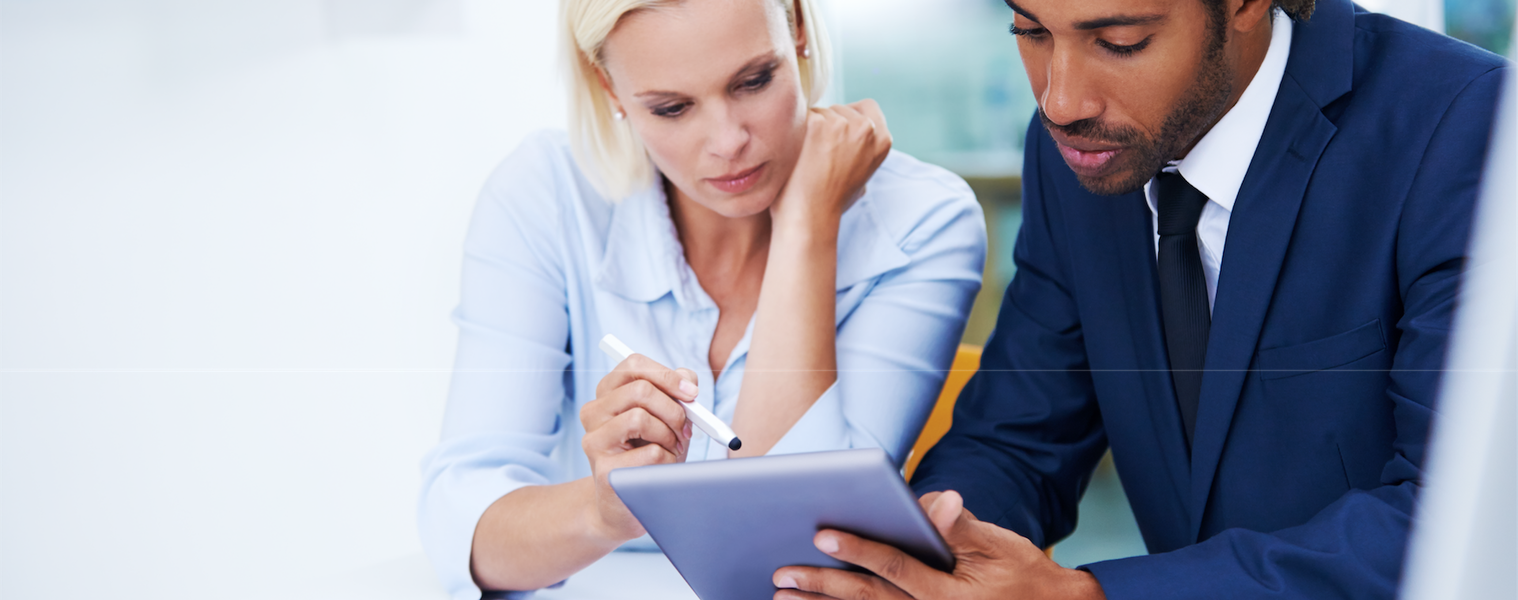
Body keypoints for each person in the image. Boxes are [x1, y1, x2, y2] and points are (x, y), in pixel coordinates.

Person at [771, 0, 1509, 599]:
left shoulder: (1468, 128)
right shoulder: (1078, 152)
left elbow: (1459, 520)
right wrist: (918, 562)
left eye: (1120, 41)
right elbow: (1019, 439)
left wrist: (1087, 597)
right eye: (1029, 31)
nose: (1061, 100)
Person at [416, 0, 987, 598]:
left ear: (796, 27)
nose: (728, 142)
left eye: (754, 81)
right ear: (608, 85)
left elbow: (791, 543)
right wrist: (602, 512)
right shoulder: (545, 195)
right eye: (671, 108)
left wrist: (805, 226)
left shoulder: (922, 220)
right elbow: (464, 526)